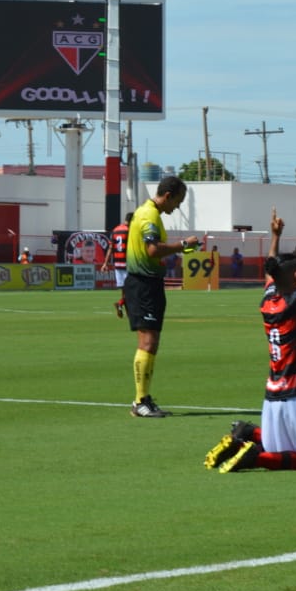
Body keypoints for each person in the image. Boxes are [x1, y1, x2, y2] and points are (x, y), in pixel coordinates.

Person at [205, 201, 296, 473]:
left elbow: (271, 270)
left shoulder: (268, 298)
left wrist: (275, 237)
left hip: (272, 394)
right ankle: (255, 457)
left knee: (282, 453)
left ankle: (243, 442)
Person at [124, 175, 199, 418]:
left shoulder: (146, 212)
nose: (178, 206)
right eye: (178, 201)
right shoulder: (149, 215)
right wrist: (182, 244)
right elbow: (153, 249)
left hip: (144, 283)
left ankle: (142, 399)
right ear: (168, 196)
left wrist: (183, 248)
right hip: (144, 285)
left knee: (148, 341)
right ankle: (140, 401)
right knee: (148, 341)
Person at [101, 213, 132, 317]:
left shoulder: (115, 230)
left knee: (124, 290)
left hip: (117, 264)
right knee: (133, 289)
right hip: (128, 263)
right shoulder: (130, 230)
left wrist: (105, 263)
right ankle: (120, 303)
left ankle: (128, 312)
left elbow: (110, 248)